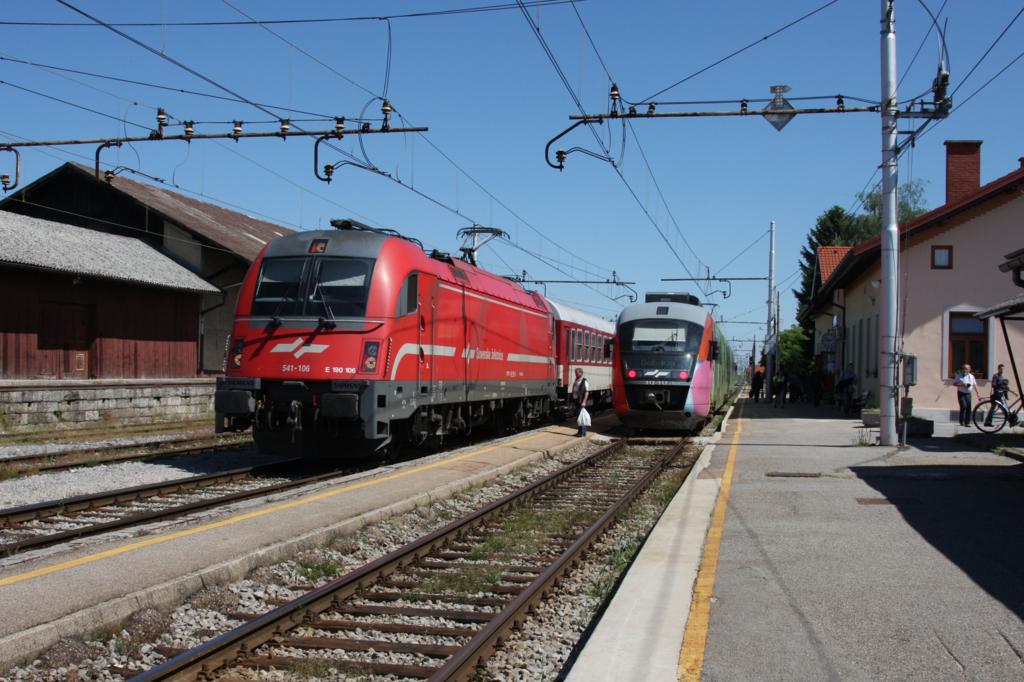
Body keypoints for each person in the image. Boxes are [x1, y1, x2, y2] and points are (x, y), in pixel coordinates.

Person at [572, 367, 590, 437]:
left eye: (577, 373)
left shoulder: (584, 381)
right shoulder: (577, 380)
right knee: (579, 417)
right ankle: (581, 432)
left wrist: (584, 401)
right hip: (577, 400)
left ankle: (582, 432)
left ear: (581, 373)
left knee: (581, 417)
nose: (575, 374)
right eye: (575, 373)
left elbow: (587, 392)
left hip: (581, 401)